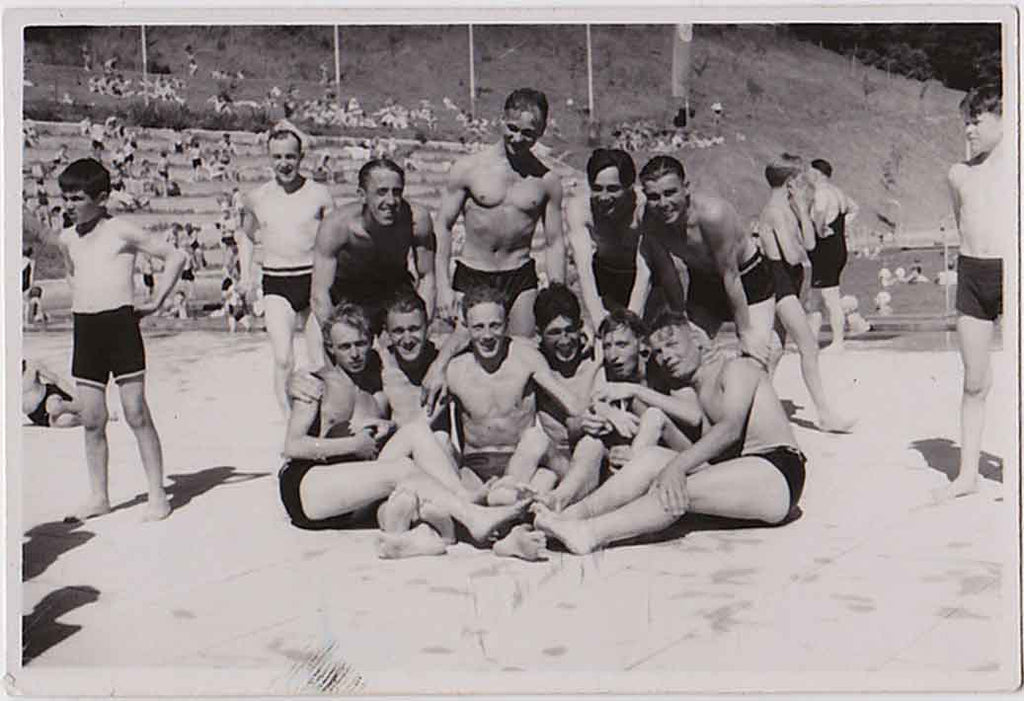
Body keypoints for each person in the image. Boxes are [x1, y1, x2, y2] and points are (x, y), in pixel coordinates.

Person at [534, 311, 806, 554]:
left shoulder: (737, 368)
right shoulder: (695, 390)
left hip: (777, 471)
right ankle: (570, 516)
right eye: (659, 351)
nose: (666, 356)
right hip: (737, 474)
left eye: (673, 344)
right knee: (652, 458)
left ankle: (591, 533)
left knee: (673, 487)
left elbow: (730, 429)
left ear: (697, 340)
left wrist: (676, 467)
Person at [278, 303, 509, 533]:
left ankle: (463, 497)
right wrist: (353, 444)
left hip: (351, 494)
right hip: (308, 489)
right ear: (331, 348)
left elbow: (456, 338)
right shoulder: (316, 383)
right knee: (402, 469)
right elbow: (292, 446)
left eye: (360, 344)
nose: (355, 354)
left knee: (416, 432)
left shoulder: (375, 380)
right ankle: (473, 518)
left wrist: (387, 426)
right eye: (345, 347)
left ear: (371, 341)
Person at [44, 158, 186, 521]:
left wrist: (156, 302)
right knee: (92, 419)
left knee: (136, 412)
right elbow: (72, 273)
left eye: (77, 198)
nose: (68, 206)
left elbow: (175, 256)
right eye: (65, 198)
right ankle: (99, 496)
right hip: (86, 328)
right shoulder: (67, 238)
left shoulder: (121, 230)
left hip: (120, 327)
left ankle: (158, 494)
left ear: (102, 198)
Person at [435, 88, 565, 336]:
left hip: (519, 275)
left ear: (541, 131)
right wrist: (442, 285)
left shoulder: (547, 181)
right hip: (474, 272)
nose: (517, 138)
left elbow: (555, 241)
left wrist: (558, 295)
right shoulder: (468, 168)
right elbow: (443, 225)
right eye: (512, 128)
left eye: (528, 133)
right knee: (466, 346)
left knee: (523, 347)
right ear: (501, 120)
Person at [446, 285, 585, 513]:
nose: (487, 335)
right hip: (476, 465)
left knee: (536, 440)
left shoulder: (526, 358)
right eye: (479, 327)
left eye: (495, 325)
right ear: (467, 328)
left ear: (507, 324)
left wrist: (607, 410)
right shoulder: (455, 369)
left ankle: (504, 499)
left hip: (523, 459)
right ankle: (507, 506)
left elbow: (572, 403)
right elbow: (426, 425)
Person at [933, 84, 1009, 502]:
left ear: (1004, 119)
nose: (968, 130)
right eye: (966, 122)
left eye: (976, 121)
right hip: (972, 275)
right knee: (975, 380)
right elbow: (963, 220)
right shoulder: (958, 174)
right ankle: (968, 475)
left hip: (1011, 269)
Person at [629, 156, 775, 366]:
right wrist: (679, 315)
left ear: (686, 188)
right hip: (703, 283)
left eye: (670, 193)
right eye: (654, 197)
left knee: (755, 359)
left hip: (747, 280)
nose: (663, 204)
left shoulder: (713, 216)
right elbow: (666, 271)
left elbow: (731, 276)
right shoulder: (648, 219)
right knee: (686, 357)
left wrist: (744, 333)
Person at [239, 126, 335, 414]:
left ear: (301, 157)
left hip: (313, 280)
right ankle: (289, 422)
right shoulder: (257, 197)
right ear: (269, 158)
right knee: (283, 359)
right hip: (276, 281)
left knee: (319, 358)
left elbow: (335, 238)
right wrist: (245, 275)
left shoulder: (320, 195)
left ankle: (324, 415)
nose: (284, 163)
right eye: (278, 157)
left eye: (290, 157)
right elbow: (246, 235)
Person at [757, 154, 854, 432]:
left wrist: (801, 211)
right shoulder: (774, 213)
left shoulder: (789, 208)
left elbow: (810, 245)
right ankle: (824, 414)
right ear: (791, 182)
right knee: (809, 347)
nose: (804, 185)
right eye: (801, 179)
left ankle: (757, 402)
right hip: (780, 283)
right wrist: (799, 234)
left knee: (777, 346)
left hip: (791, 280)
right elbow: (793, 255)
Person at [311, 158, 435, 335]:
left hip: (393, 288)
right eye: (381, 192)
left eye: (397, 192)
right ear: (362, 195)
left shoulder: (416, 220)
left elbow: (427, 277)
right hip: (348, 292)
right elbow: (320, 293)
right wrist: (334, 337)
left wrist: (423, 327)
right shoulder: (337, 226)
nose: (391, 200)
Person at [565, 148, 685, 328]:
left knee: (652, 330)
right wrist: (598, 322)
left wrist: (632, 322)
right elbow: (584, 270)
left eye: (613, 189)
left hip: (647, 275)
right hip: (606, 276)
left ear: (630, 187)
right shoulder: (579, 209)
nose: (604, 197)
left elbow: (645, 272)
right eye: (597, 189)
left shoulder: (644, 208)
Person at [806, 158, 859, 352]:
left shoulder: (821, 193)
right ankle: (811, 341)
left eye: (809, 172)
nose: (806, 175)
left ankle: (838, 342)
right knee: (815, 298)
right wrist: (841, 227)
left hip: (825, 250)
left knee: (830, 297)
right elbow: (854, 208)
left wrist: (820, 229)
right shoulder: (837, 192)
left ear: (817, 174)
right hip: (837, 247)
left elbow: (820, 213)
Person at [22, 359, 83, 428]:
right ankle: (84, 418)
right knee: (63, 421)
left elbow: (57, 380)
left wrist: (75, 396)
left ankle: (80, 407)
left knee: (53, 407)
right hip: (37, 414)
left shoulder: (31, 366)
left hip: (50, 395)